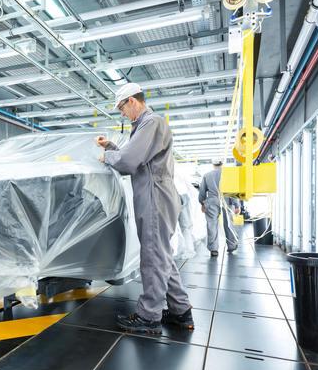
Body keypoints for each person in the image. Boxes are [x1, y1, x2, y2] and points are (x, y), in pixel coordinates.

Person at [96, 82, 193, 335]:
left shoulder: (151, 122)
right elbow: (136, 157)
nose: (122, 114)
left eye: (122, 109)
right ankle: (181, 311)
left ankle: (149, 316)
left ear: (132, 101)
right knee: (161, 256)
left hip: (154, 197)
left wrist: (107, 157)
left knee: (153, 257)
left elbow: (129, 162)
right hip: (155, 195)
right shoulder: (146, 126)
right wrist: (111, 147)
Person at [198, 160, 240, 257]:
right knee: (228, 223)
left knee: (212, 225)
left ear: (213, 165)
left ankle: (214, 249)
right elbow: (233, 190)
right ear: (222, 164)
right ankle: (232, 245)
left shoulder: (207, 175)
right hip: (227, 200)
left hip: (212, 201)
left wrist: (202, 203)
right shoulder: (228, 174)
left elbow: (202, 191)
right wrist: (237, 205)